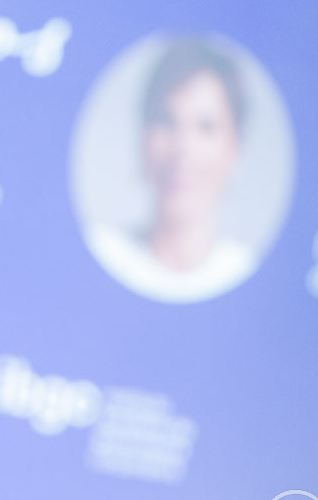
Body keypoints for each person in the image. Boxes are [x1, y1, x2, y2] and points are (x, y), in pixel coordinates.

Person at [88, 39, 257, 303]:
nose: (183, 149)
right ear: (144, 137)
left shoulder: (246, 273)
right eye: (167, 121)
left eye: (206, 127)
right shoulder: (105, 250)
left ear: (234, 147)